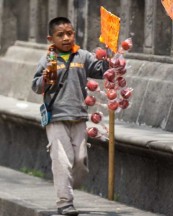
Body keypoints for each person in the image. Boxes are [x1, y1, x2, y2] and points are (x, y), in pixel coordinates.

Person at [31, 17, 109, 215]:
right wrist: (46, 78)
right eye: (60, 35)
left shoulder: (82, 56)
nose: (66, 38)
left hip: (79, 115)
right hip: (56, 116)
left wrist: (111, 57)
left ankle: (66, 186)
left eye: (70, 33)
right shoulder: (48, 60)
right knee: (62, 161)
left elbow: (101, 71)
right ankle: (65, 202)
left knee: (80, 161)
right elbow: (36, 85)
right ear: (51, 39)